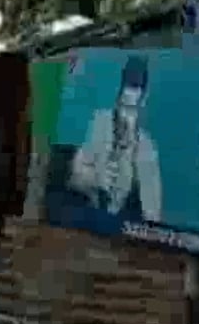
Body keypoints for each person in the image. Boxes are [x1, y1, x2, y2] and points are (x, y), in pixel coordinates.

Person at [67, 54, 164, 221]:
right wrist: (96, 178)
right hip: (92, 217)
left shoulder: (147, 148)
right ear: (118, 97)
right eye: (123, 107)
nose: (126, 117)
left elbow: (152, 209)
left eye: (132, 110)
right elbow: (75, 177)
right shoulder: (100, 123)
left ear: (142, 102)